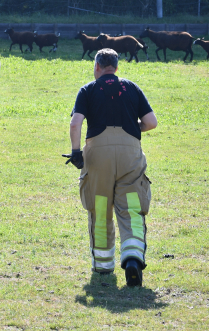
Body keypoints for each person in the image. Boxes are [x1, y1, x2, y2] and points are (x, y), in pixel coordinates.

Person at [64, 48, 157, 287]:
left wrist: (76, 152)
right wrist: (133, 126)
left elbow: (76, 123)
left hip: (98, 154)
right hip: (130, 152)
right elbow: (151, 122)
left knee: (101, 206)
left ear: (97, 67)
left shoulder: (88, 89)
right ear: (116, 67)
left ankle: (104, 265)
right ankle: (134, 257)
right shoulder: (132, 88)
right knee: (133, 207)